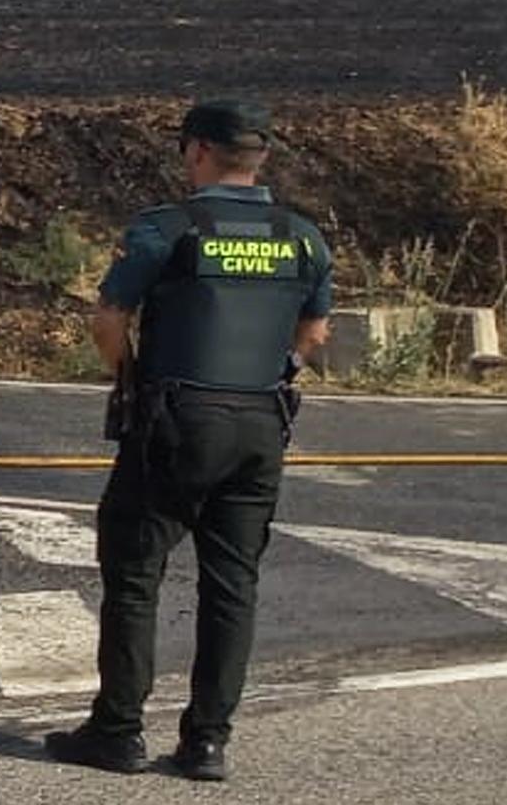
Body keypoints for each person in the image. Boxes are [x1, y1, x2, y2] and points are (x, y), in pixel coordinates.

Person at [45, 99, 333, 782]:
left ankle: (117, 731)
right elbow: (315, 335)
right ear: (259, 157)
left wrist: (129, 380)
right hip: (262, 423)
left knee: (135, 571)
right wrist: (279, 374)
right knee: (232, 584)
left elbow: (110, 316)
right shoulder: (301, 236)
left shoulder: (169, 229)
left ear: (197, 151)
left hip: (176, 419)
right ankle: (207, 742)